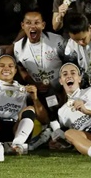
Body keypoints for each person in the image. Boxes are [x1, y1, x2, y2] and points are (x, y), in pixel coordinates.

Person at [13, 10, 65, 142]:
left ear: (43, 25)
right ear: (22, 25)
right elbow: (21, 68)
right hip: (38, 90)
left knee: (52, 97)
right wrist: (33, 83)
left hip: (61, 87)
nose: (33, 26)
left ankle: (56, 130)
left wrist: (64, 89)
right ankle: (51, 131)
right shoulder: (18, 47)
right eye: (28, 23)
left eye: (36, 23)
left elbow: (69, 64)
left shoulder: (56, 41)